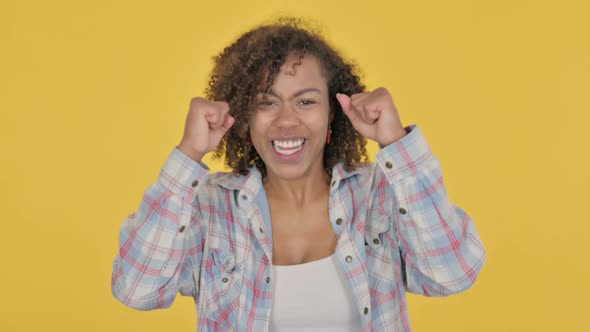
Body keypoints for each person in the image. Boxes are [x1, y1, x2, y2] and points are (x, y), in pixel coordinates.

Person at [111, 18, 486, 331]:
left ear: (332, 114)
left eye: (306, 101)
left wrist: (396, 143)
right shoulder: (209, 208)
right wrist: (188, 155)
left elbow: (451, 274)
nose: (287, 120)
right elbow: (137, 290)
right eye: (267, 102)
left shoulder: (378, 195)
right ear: (244, 116)